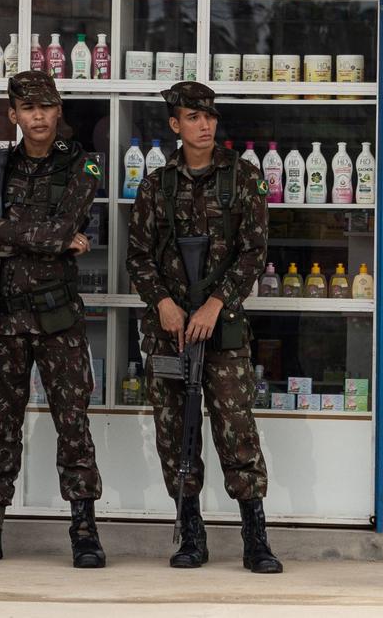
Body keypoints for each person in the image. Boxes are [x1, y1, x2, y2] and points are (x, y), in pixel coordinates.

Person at [0, 72, 106, 569]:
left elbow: (59, 230)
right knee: (1, 426)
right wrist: (44, 237)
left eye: (46, 107)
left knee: (72, 425)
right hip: (6, 314)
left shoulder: (83, 166)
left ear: (58, 112)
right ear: (12, 114)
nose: (37, 116)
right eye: (27, 108)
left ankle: (84, 530)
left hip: (58, 316)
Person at [126, 81, 283, 574]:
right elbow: (138, 258)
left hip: (223, 329)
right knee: (176, 433)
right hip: (170, 333)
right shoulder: (156, 187)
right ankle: (190, 531)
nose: (204, 125)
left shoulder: (243, 178)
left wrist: (216, 303)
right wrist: (165, 305)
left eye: (209, 116)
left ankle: (254, 536)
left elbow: (254, 252)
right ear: (175, 125)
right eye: (193, 117)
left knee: (237, 432)